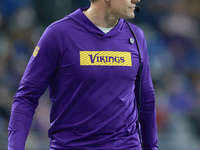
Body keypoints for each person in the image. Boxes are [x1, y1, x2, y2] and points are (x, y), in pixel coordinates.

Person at [8, 0, 158, 149]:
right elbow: (26, 98)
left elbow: (146, 99)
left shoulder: (137, 36)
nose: (136, 0)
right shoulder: (58, 34)